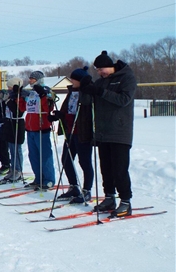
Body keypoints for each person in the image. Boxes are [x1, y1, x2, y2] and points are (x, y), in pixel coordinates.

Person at [81, 51, 136, 217]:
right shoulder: (100, 82)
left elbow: (123, 100)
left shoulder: (127, 78)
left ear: (110, 66)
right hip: (103, 131)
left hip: (120, 131)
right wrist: (85, 88)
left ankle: (125, 201)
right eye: (97, 70)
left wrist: (100, 92)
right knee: (106, 168)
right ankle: (110, 197)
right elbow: (87, 103)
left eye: (102, 69)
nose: (100, 72)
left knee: (120, 169)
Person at [50, 67, 94, 204]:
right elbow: (66, 109)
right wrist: (58, 115)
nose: (72, 80)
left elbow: (88, 108)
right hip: (70, 131)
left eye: (74, 78)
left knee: (84, 161)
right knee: (66, 160)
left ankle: (86, 190)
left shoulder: (87, 92)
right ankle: (74, 186)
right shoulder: (71, 92)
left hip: (82, 131)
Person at [19, 71, 55, 190]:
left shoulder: (46, 91)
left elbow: (48, 108)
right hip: (30, 128)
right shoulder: (31, 93)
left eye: (33, 79)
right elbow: (23, 108)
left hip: (41, 128)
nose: (30, 81)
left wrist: (44, 96)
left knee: (45, 155)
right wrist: (20, 97)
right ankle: (38, 178)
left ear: (39, 80)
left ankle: (49, 179)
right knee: (33, 156)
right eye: (30, 79)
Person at [2, 77, 26, 182]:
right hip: (9, 122)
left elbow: (18, 111)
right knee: (11, 148)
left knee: (16, 148)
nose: (8, 89)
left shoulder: (20, 96)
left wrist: (7, 101)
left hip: (17, 122)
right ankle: (13, 168)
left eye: (10, 87)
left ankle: (18, 170)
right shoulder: (11, 96)